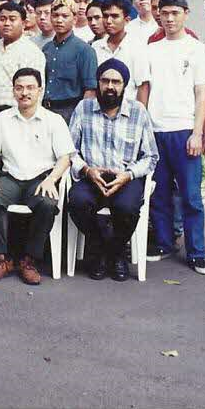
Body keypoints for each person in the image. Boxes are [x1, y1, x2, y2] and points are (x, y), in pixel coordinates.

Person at [139, 0, 205, 273]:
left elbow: (202, 93)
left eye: (175, 13)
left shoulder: (197, 50)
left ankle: (196, 252)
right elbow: (143, 90)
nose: (169, 18)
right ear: (158, 14)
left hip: (184, 130)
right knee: (158, 193)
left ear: (186, 13)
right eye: (164, 13)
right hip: (156, 131)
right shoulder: (151, 49)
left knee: (191, 196)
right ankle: (163, 241)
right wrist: (143, 130)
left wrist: (197, 132)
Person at [0, 67, 72, 285]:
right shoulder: (2, 119)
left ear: (40, 90)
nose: (24, 92)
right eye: (19, 88)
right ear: (13, 91)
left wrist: (52, 179)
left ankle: (29, 261)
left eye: (30, 87)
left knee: (48, 203)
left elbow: (65, 157)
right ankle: (0, 259)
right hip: (11, 178)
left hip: (40, 179)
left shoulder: (53, 120)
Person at [67, 60, 158, 282]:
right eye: (105, 81)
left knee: (127, 207)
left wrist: (128, 175)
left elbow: (151, 156)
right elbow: (69, 151)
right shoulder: (84, 108)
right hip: (92, 175)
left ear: (124, 85)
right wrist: (87, 170)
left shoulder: (138, 112)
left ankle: (116, 253)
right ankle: (99, 249)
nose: (110, 86)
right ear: (98, 83)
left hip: (125, 177)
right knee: (77, 202)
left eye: (116, 82)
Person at [41, 0, 98, 123]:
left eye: (65, 16)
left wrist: (81, 118)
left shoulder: (84, 50)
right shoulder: (46, 48)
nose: (59, 20)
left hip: (70, 111)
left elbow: (90, 90)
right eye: (55, 15)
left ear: (75, 19)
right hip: (45, 109)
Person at [0, 1, 46, 117]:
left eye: (12, 19)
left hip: (16, 113)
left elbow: (36, 92)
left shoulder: (31, 52)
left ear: (23, 24)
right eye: (2, 19)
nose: (7, 23)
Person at [92, 0, 150, 102]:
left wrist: (139, 114)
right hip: (100, 111)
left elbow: (142, 86)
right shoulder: (96, 47)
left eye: (115, 16)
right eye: (105, 16)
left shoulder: (137, 47)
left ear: (127, 20)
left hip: (128, 111)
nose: (109, 21)